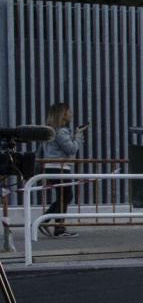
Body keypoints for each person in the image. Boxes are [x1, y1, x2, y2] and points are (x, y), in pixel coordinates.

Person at [40, 102, 84, 239]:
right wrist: (78, 136)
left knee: (63, 196)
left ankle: (48, 222)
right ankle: (55, 226)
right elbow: (71, 149)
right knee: (66, 196)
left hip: (51, 168)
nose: (71, 114)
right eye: (69, 112)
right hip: (59, 168)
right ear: (62, 115)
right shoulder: (60, 131)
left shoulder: (49, 131)